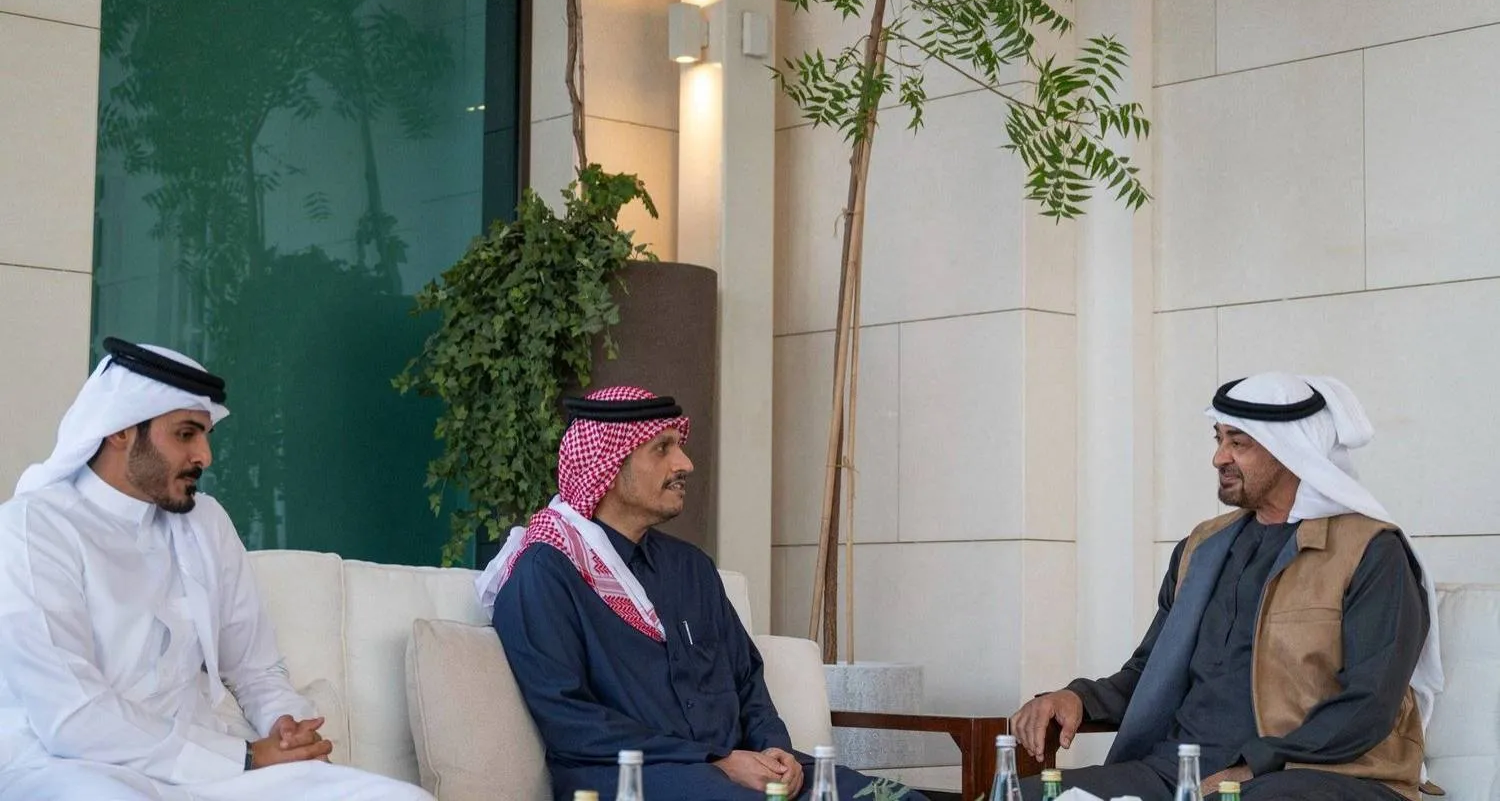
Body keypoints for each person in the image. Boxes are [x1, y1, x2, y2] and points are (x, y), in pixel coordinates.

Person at [0, 338, 434, 801]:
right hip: (76, 767)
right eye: (186, 434)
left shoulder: (204, 523)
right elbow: (72, 717)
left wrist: (285, 726)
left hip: (215, 765)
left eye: (205, 436)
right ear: (118, 430)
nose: (204, 456)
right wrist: (246, 756)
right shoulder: (31, 529)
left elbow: (256, 669)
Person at [1010, 373, 1441, 801]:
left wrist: (1255, 764)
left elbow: (1368, 704)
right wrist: (1079, 698)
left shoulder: (1370, 553)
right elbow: (1150, 671)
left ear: (1291, 450)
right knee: (1019, 796)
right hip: (1179, 770)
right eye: (1218, 439)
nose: (1219, 457)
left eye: (1238, 443)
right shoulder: (1202, 548)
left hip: (1325, 776)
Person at [480, 386, 923, 801]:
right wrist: (715, 761)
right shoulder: (547, 570)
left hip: (738, 769)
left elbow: (746, 677)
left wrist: (775, 750)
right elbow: (568, 719)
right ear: (611, 468)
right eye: (663, 448)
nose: (685, 464)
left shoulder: (690, 568)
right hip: (632, 776)